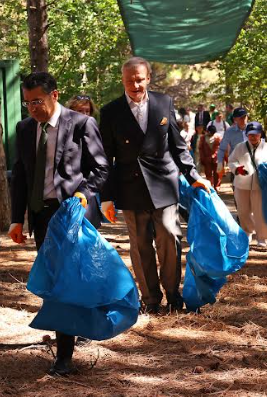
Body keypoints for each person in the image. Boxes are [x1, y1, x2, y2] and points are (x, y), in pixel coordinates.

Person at [9, 72, 109, 376]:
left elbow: (101, 169)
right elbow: (22, 176)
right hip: (42, 217)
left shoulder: (80, 124)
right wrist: (17, 218)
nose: (32, 108)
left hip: (71, 214)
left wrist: (83, 194)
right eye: (27, 103)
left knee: (67, 281)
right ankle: (69, 335)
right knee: (54, 281)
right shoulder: (25, 129)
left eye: (37, 101)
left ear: (55, 94)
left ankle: (64, 355)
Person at [99, 57, 211, 315]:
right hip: (131, 187)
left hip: (164, 184)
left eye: (140, 79)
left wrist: (193, 175)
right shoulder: (110, 112)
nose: (135, 85)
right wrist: (106, 197)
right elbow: (106, 157)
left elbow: (178, 146)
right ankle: (150, 299)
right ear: (123, 80)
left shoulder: (164, 103)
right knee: (140, 246)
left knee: (170, 238)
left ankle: (173, 295)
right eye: (130, 80)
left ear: (148, 77)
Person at [228, 122, 267, 248]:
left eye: (255, 134)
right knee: (243, 211)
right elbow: (231, 161)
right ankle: (247, 233)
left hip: (260, 186)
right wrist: (236, 169)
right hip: (241, 184)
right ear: (247, 135)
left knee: (259, 212)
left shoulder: (266, 147)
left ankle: (262, 238)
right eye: (250, 135)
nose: (253, 137)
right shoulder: (240, 147)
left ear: (260, 134)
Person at [218, 107, 248, 174]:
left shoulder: (253, 129)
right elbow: (222, 148)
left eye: (245, 117)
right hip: (237, 165)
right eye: (240, 117)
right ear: (235, 119)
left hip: (252, 162)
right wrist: (220, 162)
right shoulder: (229, 132)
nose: (243, 119)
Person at [200, 125, 221, 189]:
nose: (211, 133)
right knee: (208, 173)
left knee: (216, 173)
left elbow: (221, 148)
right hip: (206, 159)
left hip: (216, 158)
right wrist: (202, 158)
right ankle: (210, 187)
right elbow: (201, 149)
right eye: (211, 132)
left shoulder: (218, 137)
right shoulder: (203, 138)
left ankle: (216, 186)